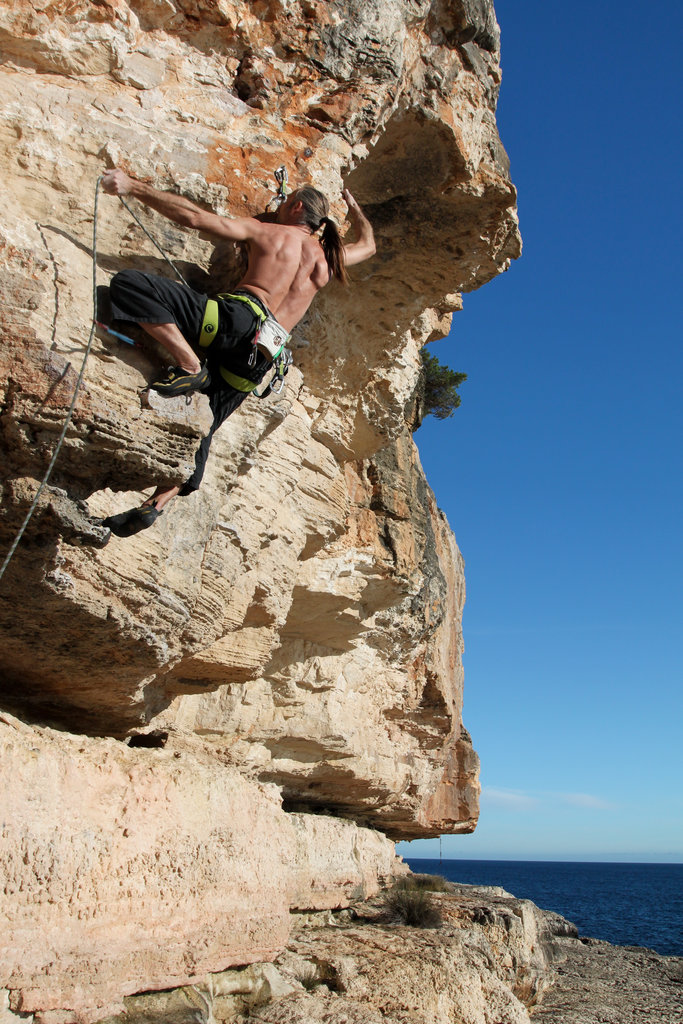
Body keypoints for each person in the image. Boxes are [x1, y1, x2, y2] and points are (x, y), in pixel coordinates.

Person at [99, 168, 375, 538]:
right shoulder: (328, 260)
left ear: (293, 206)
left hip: (234, 320)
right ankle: (157, 503)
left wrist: (133, 186)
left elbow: (196, 218)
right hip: (262, 358)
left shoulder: (270, 232)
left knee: (129, 285)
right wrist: (356, 212)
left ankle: (188, 362)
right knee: (205, 425)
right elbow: (369, 244)